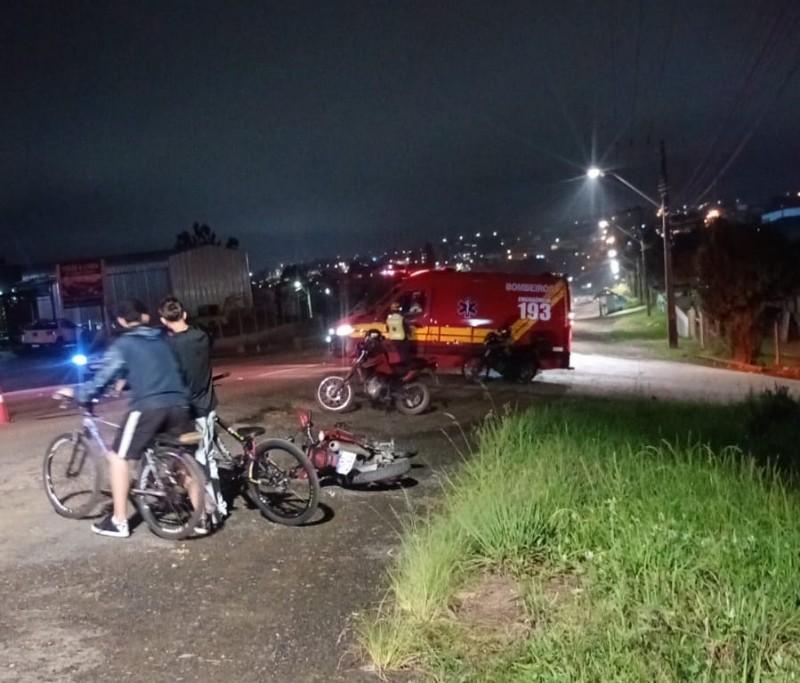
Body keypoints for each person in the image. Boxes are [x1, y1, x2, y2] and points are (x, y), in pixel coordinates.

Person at [69, 299, 200, 538]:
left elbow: (101, 379)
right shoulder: (163, 340)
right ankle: (201, 517)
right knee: (181, 457)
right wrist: (130, 380)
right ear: (145, 317)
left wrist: (78, 393)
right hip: (180, 403)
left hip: (149, 407)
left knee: (119, 457)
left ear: (120, 321)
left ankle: (118, 521)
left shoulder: (124, 344)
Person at [159, 296, 227, 527]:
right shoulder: (202, 336)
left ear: (163, 320)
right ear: (184, 314)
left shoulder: (169, 346)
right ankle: (219, 506)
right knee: (208, 458)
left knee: (196, 464)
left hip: (188, 412)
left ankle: (208, 512)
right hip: (207, 405)